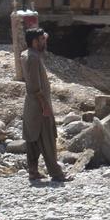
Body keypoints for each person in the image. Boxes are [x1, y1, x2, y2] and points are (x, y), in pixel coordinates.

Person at [22, 28, 66, 184]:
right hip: (39, 107)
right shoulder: (33, 58)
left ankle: (33, 172)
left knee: (33, 140)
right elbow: (35, 86)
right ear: (34, 42)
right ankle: (57, 174)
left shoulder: (27, 54)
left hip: (31, 107)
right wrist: (45, 106)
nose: (44, 42)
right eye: (41, 40)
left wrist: (43, 36)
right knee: (48, 140)